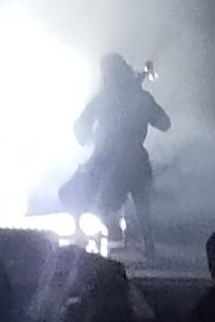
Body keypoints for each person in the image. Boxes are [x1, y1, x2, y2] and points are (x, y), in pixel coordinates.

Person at [58, 53, 171, 256]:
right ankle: (145, 240)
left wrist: (91, 138)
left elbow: (81, 128)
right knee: (139, 198)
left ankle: (90, 231)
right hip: (134, 160)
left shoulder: (103, 99)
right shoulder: (139, 97)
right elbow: (164, 124)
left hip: (107, 161)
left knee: (75, 192)